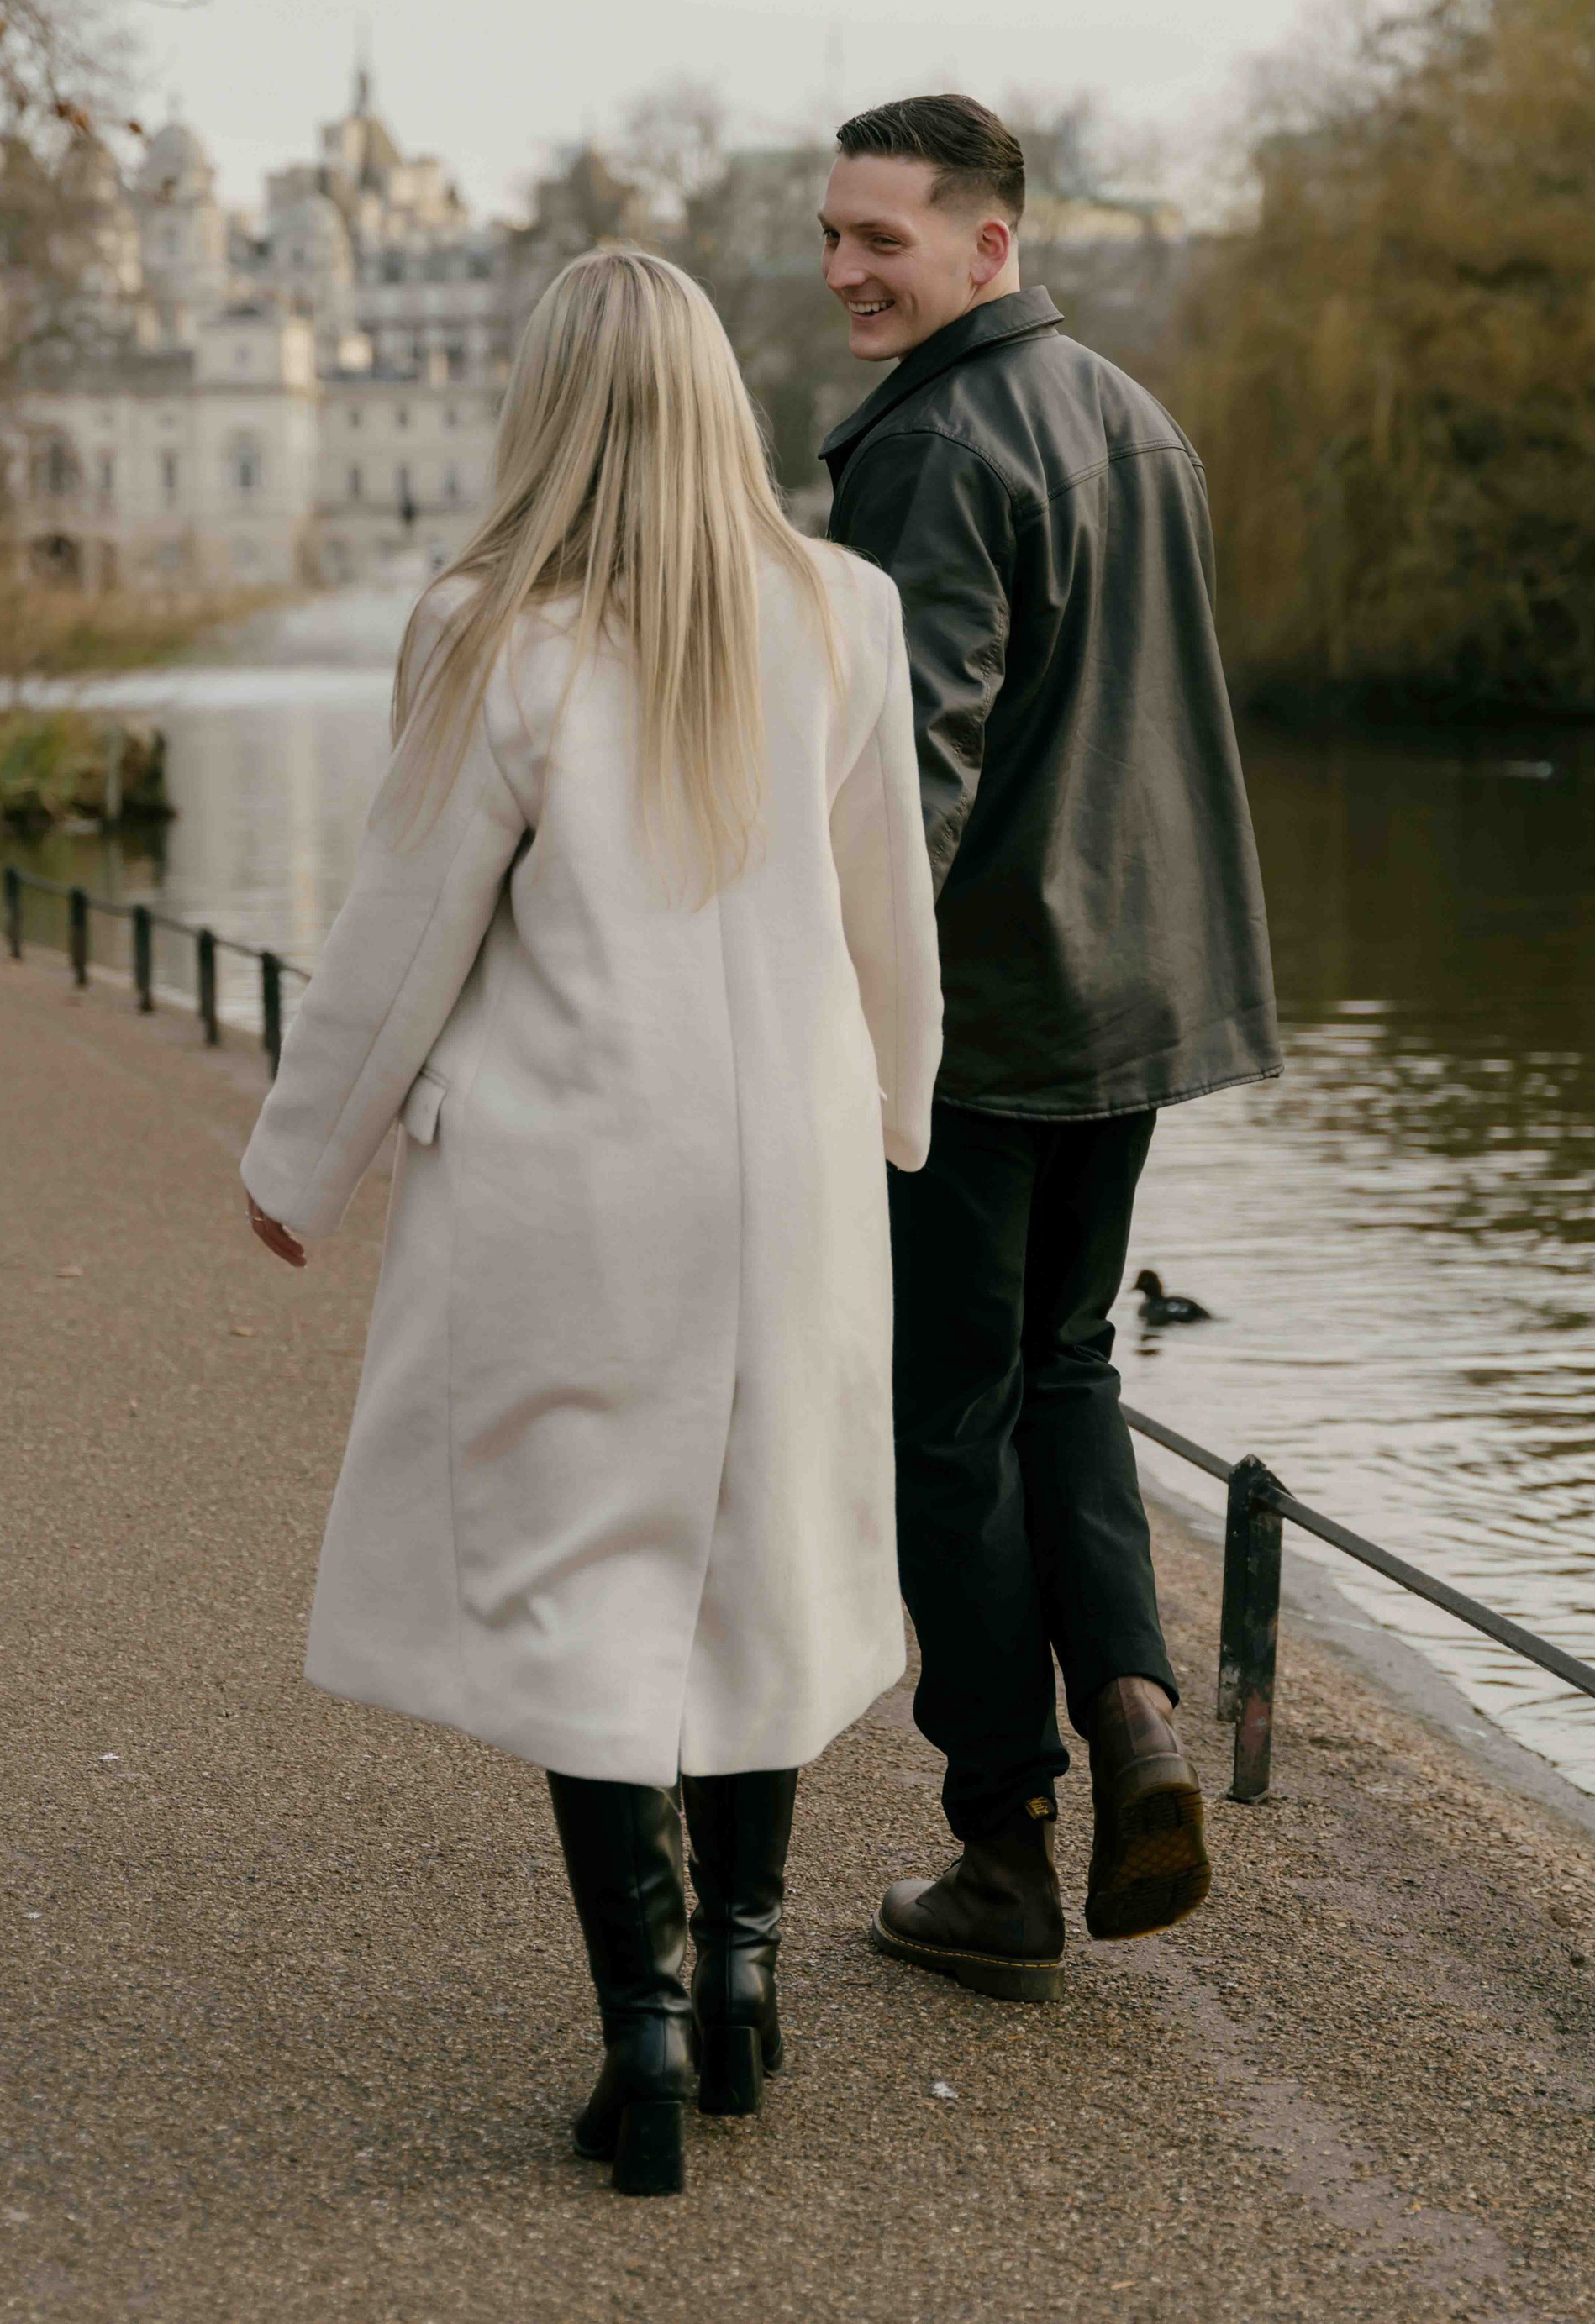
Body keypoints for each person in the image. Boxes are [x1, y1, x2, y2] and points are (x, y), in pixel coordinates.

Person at [239, 249, 942, 2195]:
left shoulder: (491, 631)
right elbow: (889, 906)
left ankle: (640, 2030)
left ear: (542, 409)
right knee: (758, 1556)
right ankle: (741, 1978)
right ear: (718, 397)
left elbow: (406, 926)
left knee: (587, 1582)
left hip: (571, 1173)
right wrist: (896, 1106)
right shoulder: (844, 611)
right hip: (786, 1171)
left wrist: (302, 1162)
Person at [818, 92, 1279, 2004]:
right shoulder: (1133, 414)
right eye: (833, 235)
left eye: (883, 239)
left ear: (987, 244)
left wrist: (838, 1012)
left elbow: (909, 768)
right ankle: (1142, 1718)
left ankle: (1001, 1849)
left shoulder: (932, 442)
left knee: (947, 1422)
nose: (846, 270)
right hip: (1137, 994)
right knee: (1066, 1368)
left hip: (990, 1012)